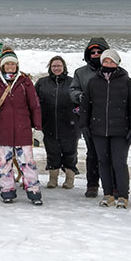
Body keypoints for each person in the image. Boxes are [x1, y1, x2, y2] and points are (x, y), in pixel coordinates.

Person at [0, 49, 44, 205]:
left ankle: (33, 191)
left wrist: (38, 128)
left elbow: (35, 106)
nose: (10, 66)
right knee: (4, 163)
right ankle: (7, 191)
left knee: (28, 162)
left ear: (17, 65)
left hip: (23, 130)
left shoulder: (25, 82)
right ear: (2, 66)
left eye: (13, 64)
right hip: (2, 130)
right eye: (7, 64)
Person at [80, 49, 131, 208]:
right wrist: (84, 125)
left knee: (119, 162)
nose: (108, 64)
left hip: (120, 131)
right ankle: (107, 194)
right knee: (103, 162)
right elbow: (85, 106)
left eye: (111, 62)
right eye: (106, 61)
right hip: (98, 130)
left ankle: (122, 195)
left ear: (117, 63)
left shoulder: (126, 82)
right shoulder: (94, 82)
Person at [69, 37, 111, 198]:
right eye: (92, 52)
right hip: (88, 119)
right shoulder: (81, 72)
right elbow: (72, 90)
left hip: (111, 119)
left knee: (111, 154)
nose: (95, 54)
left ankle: (113, 186)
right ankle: (92, 184)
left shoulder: (114, 70)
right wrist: (79, 96)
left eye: (99, 52)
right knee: (92, 153)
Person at [35, 56, 79, 189]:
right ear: (50, 67)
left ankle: (69, 179)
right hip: (49, 124)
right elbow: (34, 103)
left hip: (70, 124)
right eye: (54, 66)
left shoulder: (73, 82)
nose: (56, 68)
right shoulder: (42, 83)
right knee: (52, 152)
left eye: (59, 66)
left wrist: (78, 115)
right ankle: (53, 179)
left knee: (70, 153)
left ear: (64, 67)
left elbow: (81, 101)